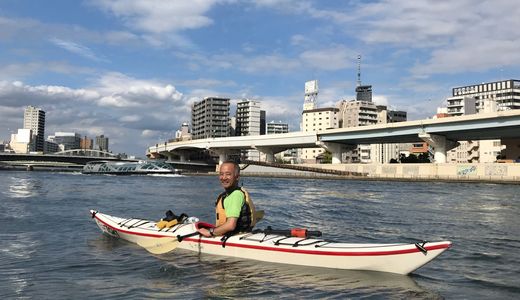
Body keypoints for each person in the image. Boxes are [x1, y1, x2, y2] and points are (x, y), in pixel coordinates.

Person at [197, 161, 256, 238]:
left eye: (228, 174)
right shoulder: (235, 193)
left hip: (234, 237)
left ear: (237, 177)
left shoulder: (235, 195)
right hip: (243, 234)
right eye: (221, 174)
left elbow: (230, 225)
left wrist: (210, 232)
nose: (224, 178)